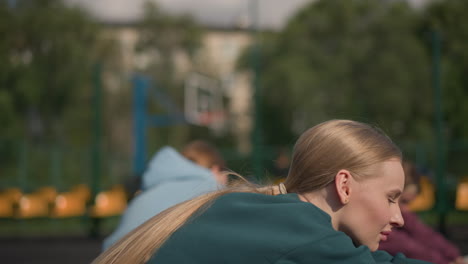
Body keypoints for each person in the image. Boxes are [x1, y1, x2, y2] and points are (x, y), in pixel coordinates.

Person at [94, 119, 432, 264]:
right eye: (391, 198)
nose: (398, 216)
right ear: (344, 185)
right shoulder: (305, 233)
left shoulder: (257, 210)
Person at [102, 140, 227, 250]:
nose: (227, 179)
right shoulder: (212, 189)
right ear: (215, 169)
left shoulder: (144, 195)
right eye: (225, 171)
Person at [379, 161, 467, 264]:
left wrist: (453, 255)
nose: (406, 209)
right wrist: (444, 261)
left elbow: (425, 234)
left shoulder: (404, 214)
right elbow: (408, 247)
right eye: (402, 201)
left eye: (409, 203)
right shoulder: (381, 227)